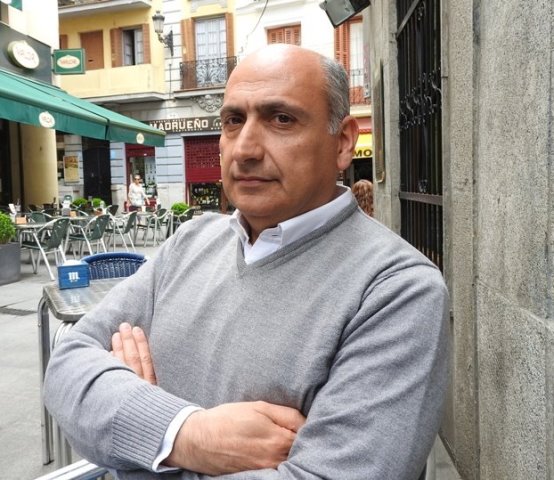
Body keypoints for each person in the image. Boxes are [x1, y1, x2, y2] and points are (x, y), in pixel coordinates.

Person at [44, 44, 450, 479]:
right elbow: (67, 365)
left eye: (281, 119)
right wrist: (186, 435)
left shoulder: (397, 291)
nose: (245, 149)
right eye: (233, 121)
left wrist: (132, 433)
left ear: (343, 142)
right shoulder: (190, 241)